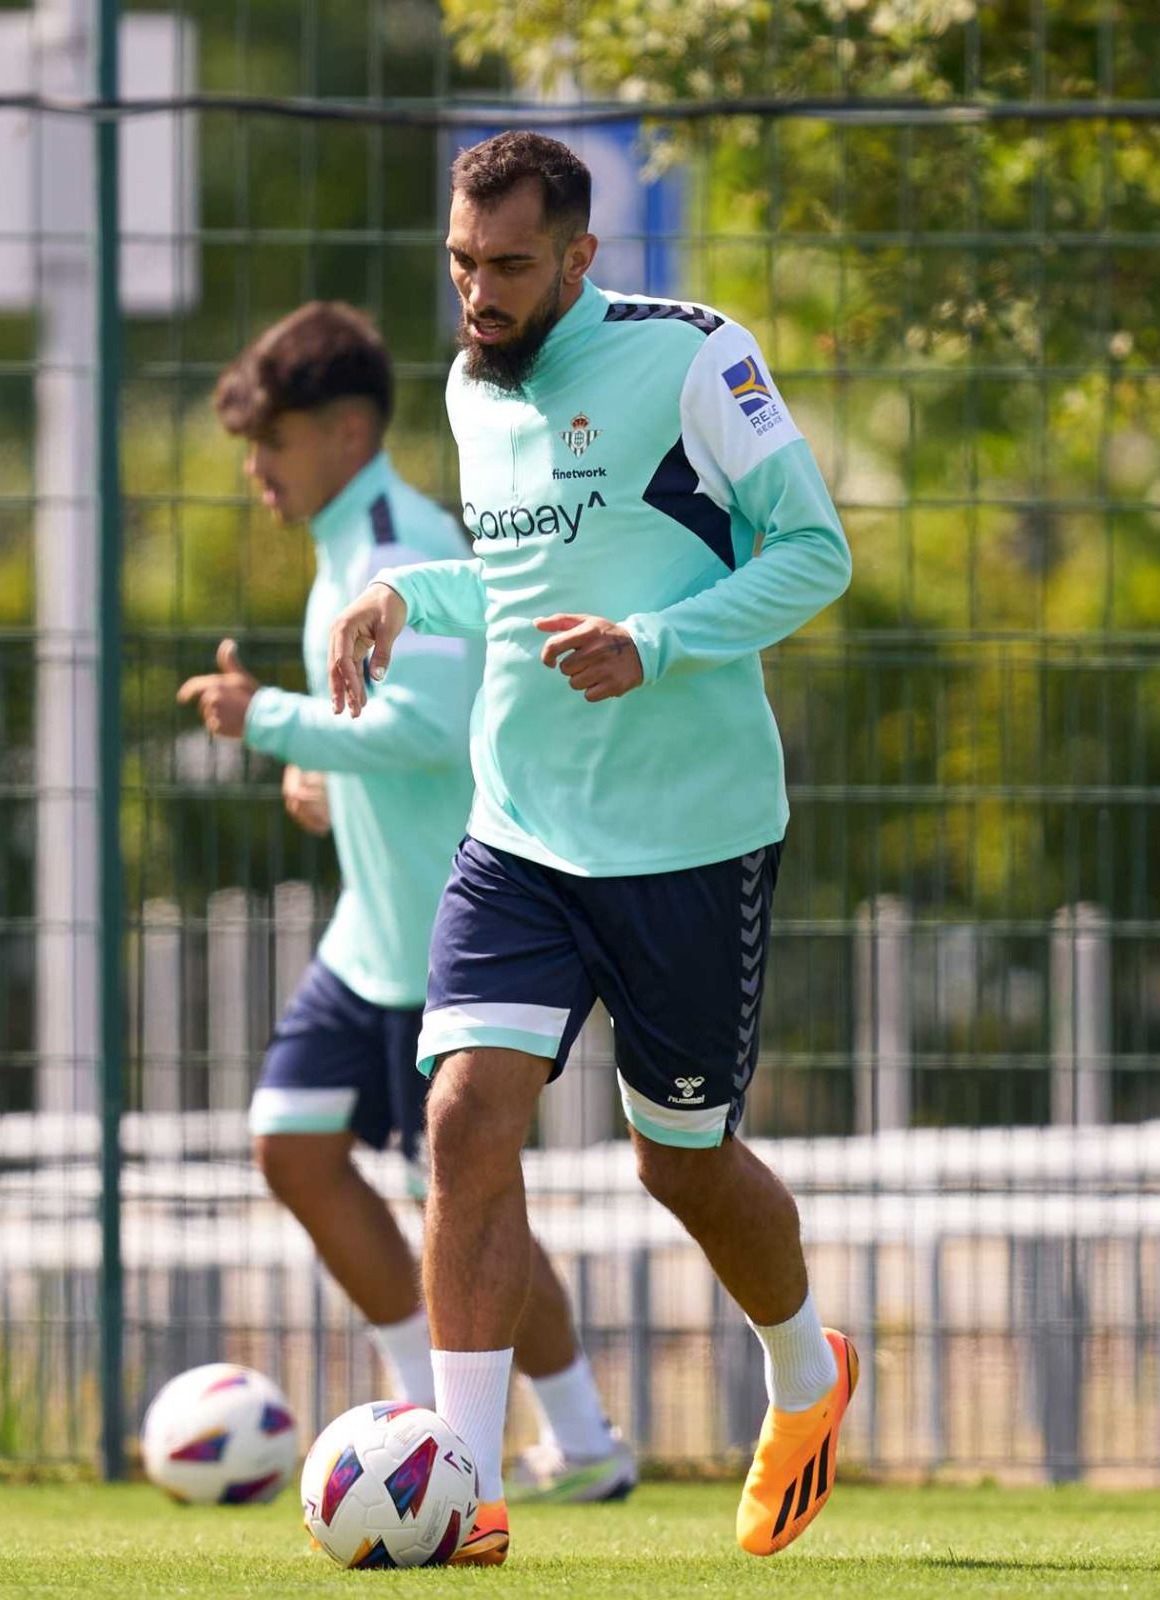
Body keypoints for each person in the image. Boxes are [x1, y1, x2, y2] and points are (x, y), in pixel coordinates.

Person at [327, 134, 855, 1565]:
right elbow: (516, 581)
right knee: (463, 1118)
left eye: (506, 268)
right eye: (459, 265)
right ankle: (466, 1483)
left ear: (580, 258)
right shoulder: (469, 385)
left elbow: (815, 552)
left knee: (678, 1163)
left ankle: (806, 1375)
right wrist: (397, 594)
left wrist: (660, 644)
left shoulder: (696, 357)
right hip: (519, 835)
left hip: (691, 839)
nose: (477, 296)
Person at [177, 299, 635, 1511]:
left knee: (470, 1201)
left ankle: (583, 1442)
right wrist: (320, 758)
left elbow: (428, 724)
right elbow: (388, 717)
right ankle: (414, 1423)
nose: (254, 470)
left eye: (269, 441)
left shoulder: (398, 541)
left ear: (343, 430)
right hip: (365, 935)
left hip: (444, 931)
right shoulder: (343, 543)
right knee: (292, 1142)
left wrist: (268, 720)